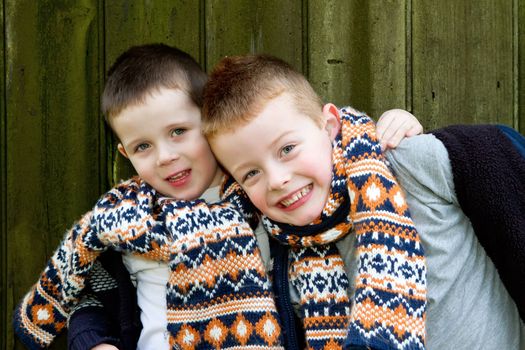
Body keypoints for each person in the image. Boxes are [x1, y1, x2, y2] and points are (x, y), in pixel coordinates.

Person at [13, 43, 421, 350]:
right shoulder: (122, 217)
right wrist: (93, 341)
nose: (166, 156)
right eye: (142, 147)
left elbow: (335, 153)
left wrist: (394, 123)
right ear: (125, 155)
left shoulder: (259, 197)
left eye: (178, 132)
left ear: (209, 127)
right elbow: (92, 289)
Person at [201, 54, 525, 349]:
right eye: (251, 173)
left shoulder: (408, 166)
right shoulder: (279, 258)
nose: (277, 180)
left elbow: (498, 161)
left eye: (287, 149)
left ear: (328, 126)